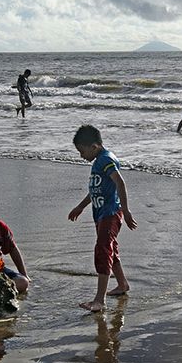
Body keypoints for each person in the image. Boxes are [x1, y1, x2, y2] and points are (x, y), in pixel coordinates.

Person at [68, 125, 137, 312]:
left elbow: (119, 182)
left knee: (102, 250)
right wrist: (80, 206)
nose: (81, 155)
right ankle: (122, 284)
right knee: (110, 250)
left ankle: (99, 300)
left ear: (94, 146)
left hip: (110, 214)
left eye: (82, 151)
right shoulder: (99, 161)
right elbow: (95, 190)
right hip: (101, 215)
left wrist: (126, 210)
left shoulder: (105, 159)